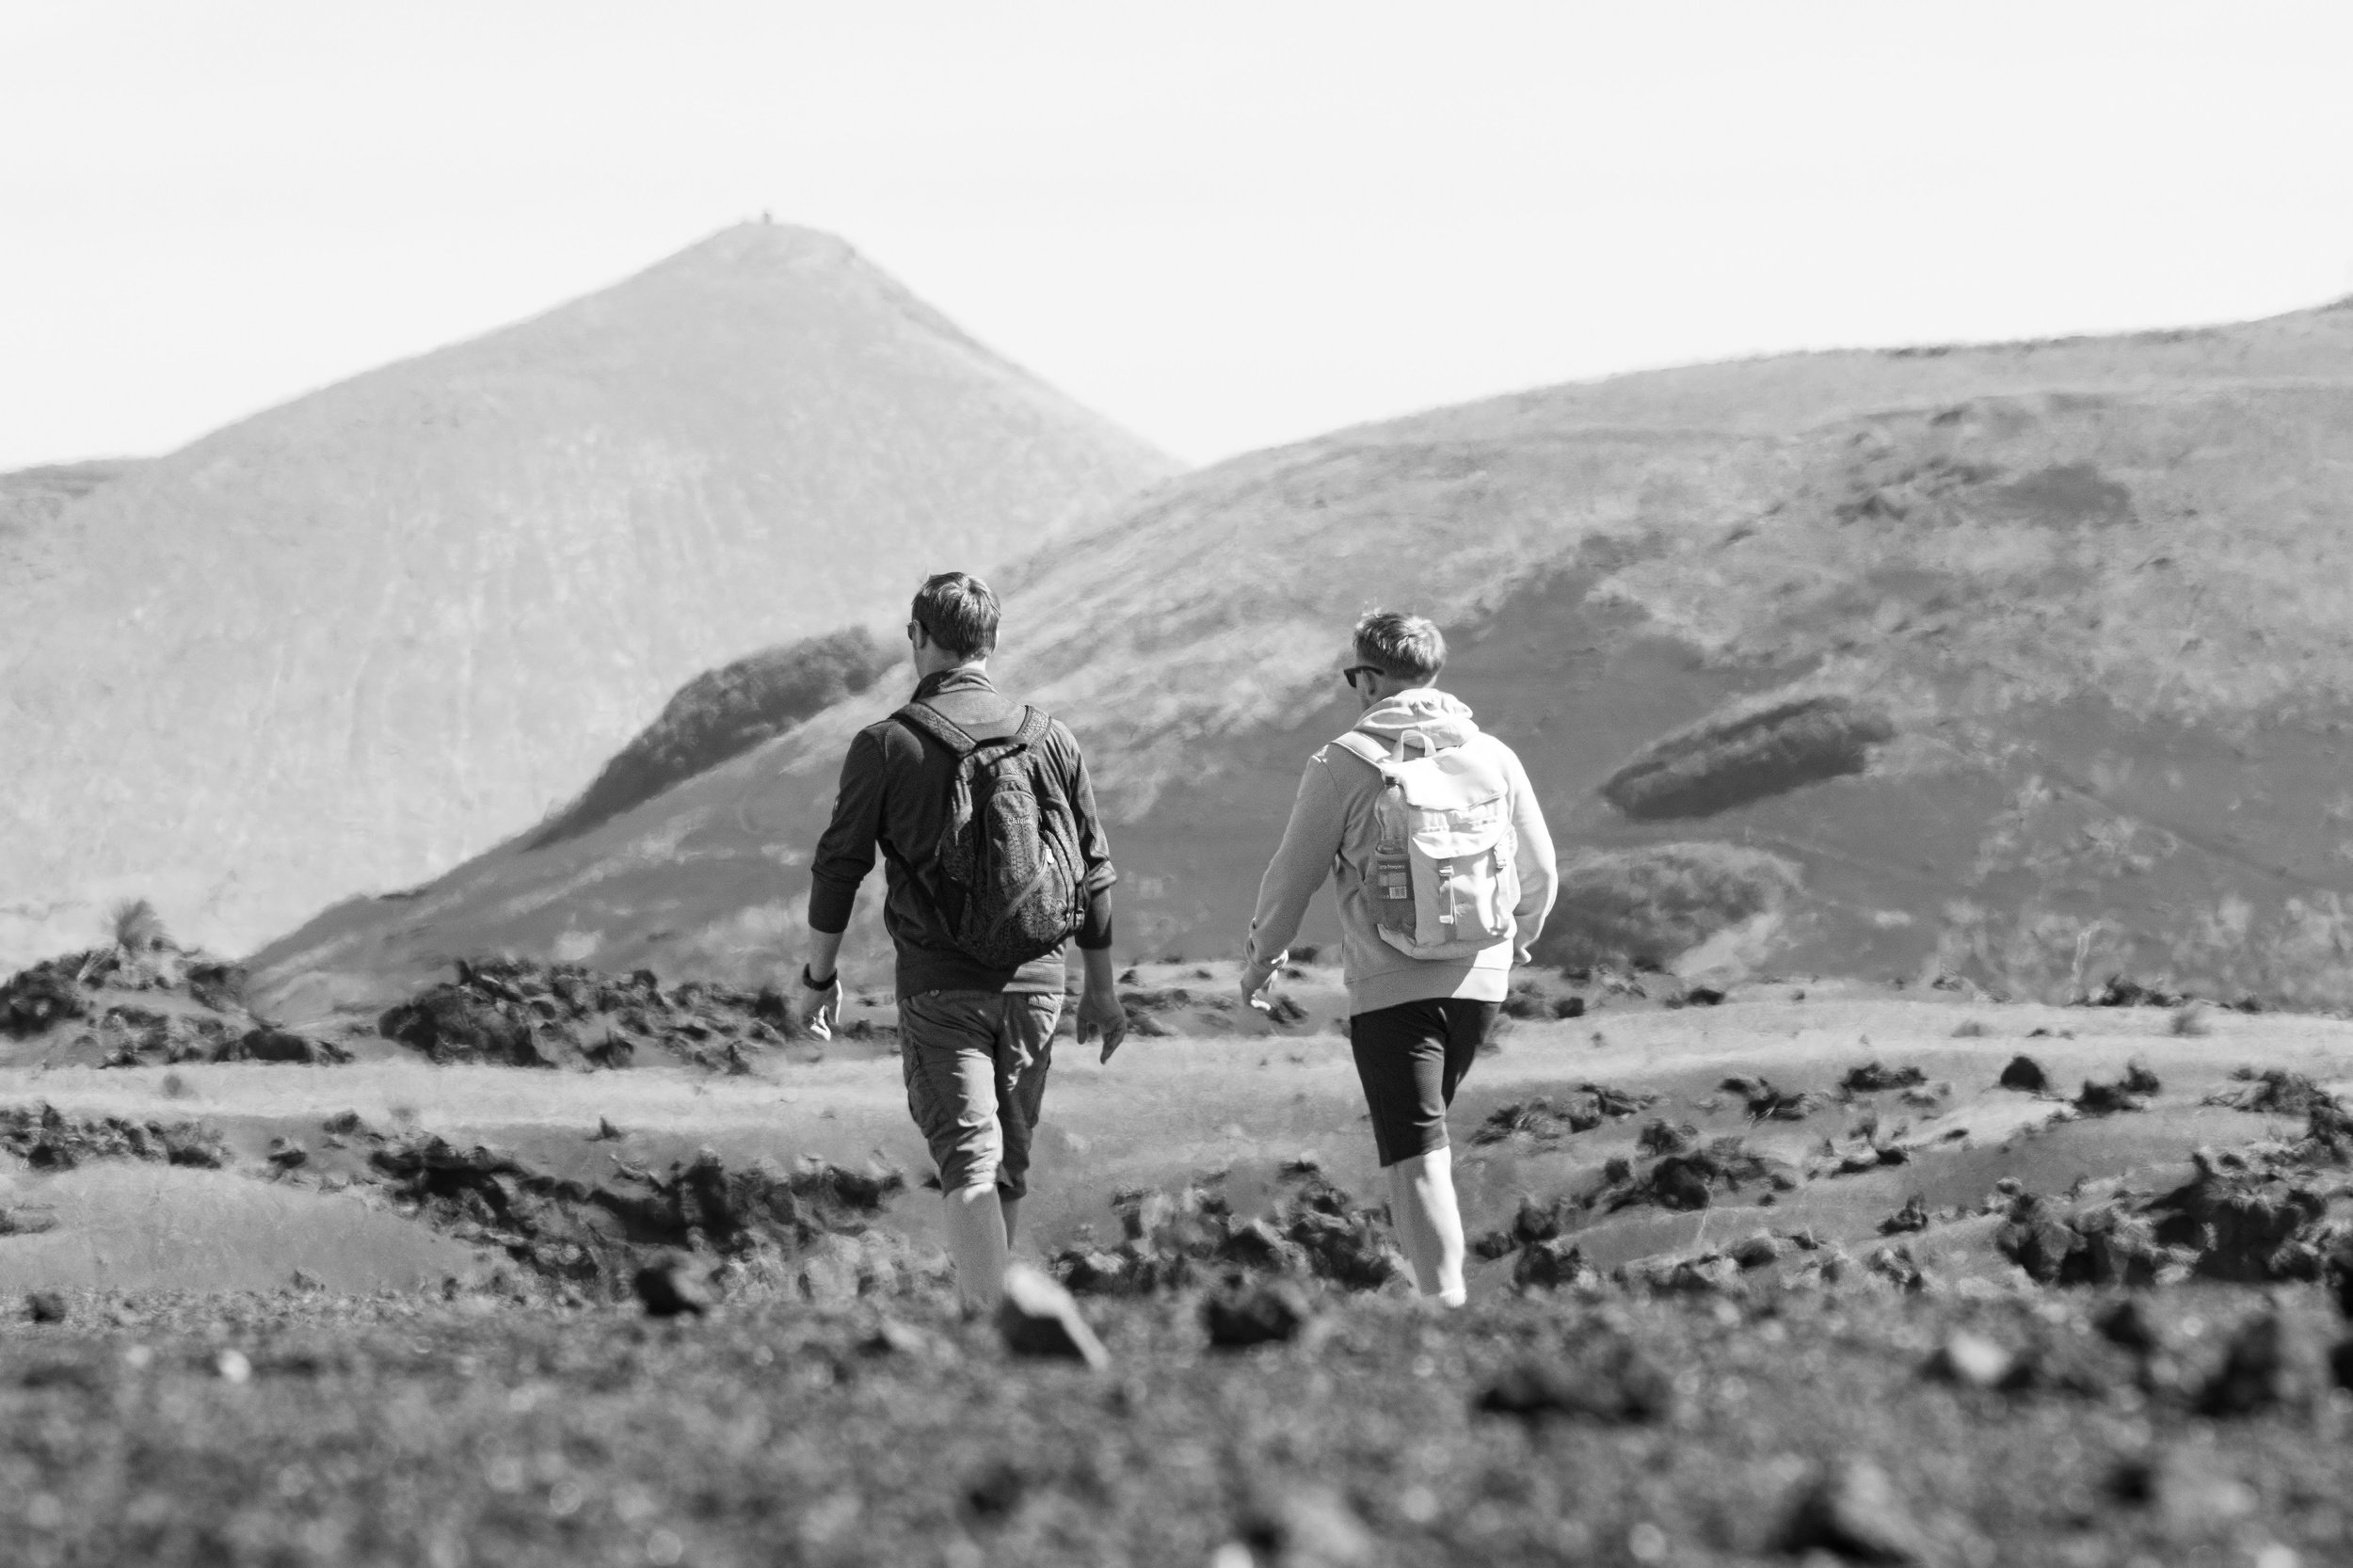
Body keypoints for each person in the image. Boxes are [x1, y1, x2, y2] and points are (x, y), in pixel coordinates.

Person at [794, 571, 1126, 1310]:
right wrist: (1101, 990)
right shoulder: (1052, 738)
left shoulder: (887, 745)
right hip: (1041, 984)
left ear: (919, 638)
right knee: (1006, 1163)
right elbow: (1095, 870)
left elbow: (839, 867)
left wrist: (820, 977)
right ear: (992, 643)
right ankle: (1001, 1315)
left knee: (969, 1164)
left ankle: (988, 1333)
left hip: (942, 987)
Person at [1239, 610, 1557, 1305]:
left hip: (1391, 989)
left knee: (1416, 1152)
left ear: (1374, 677)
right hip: (1483, 980)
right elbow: (1540, 871)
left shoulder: (1341, 764)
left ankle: (1444, 1305)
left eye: (1357, 675)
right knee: (1425, 1137)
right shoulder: (1495, 756)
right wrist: (1518, 938)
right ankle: (1432, 1292)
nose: (1355, 687)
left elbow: (1291, 878)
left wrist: (1263, 959)